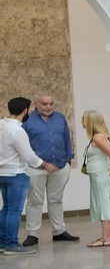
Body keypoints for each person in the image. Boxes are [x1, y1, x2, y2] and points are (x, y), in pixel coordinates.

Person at [21, 91, 75, 244]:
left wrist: (68, 159)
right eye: (44, 104)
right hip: (35, 168)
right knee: (34, 202)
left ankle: (59, 231)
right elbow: (22, 144)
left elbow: (67, 138)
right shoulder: (28, 120)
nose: (48, 107)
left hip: (59, 166)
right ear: (36, 104)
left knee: (56, 200)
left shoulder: (60, 118)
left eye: (51, 103)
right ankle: (33, 234)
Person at [1, 97, 53, 255]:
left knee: (6, 208)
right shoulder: (18, 131)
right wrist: (45, 164)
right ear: (25, 111)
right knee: (14, 210)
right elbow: (29, 156)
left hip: (2, 173)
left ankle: (2, 242)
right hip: (16, 174)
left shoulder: (1, 125)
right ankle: (12, 244)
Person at [80, 110, 110, 247]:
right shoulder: (102, 136)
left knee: (103, 204)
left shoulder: (97, 137)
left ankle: (105, 238)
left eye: (84, 119)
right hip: (102, 174)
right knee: (109, 204)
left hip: (100, 176)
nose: (82, 122)